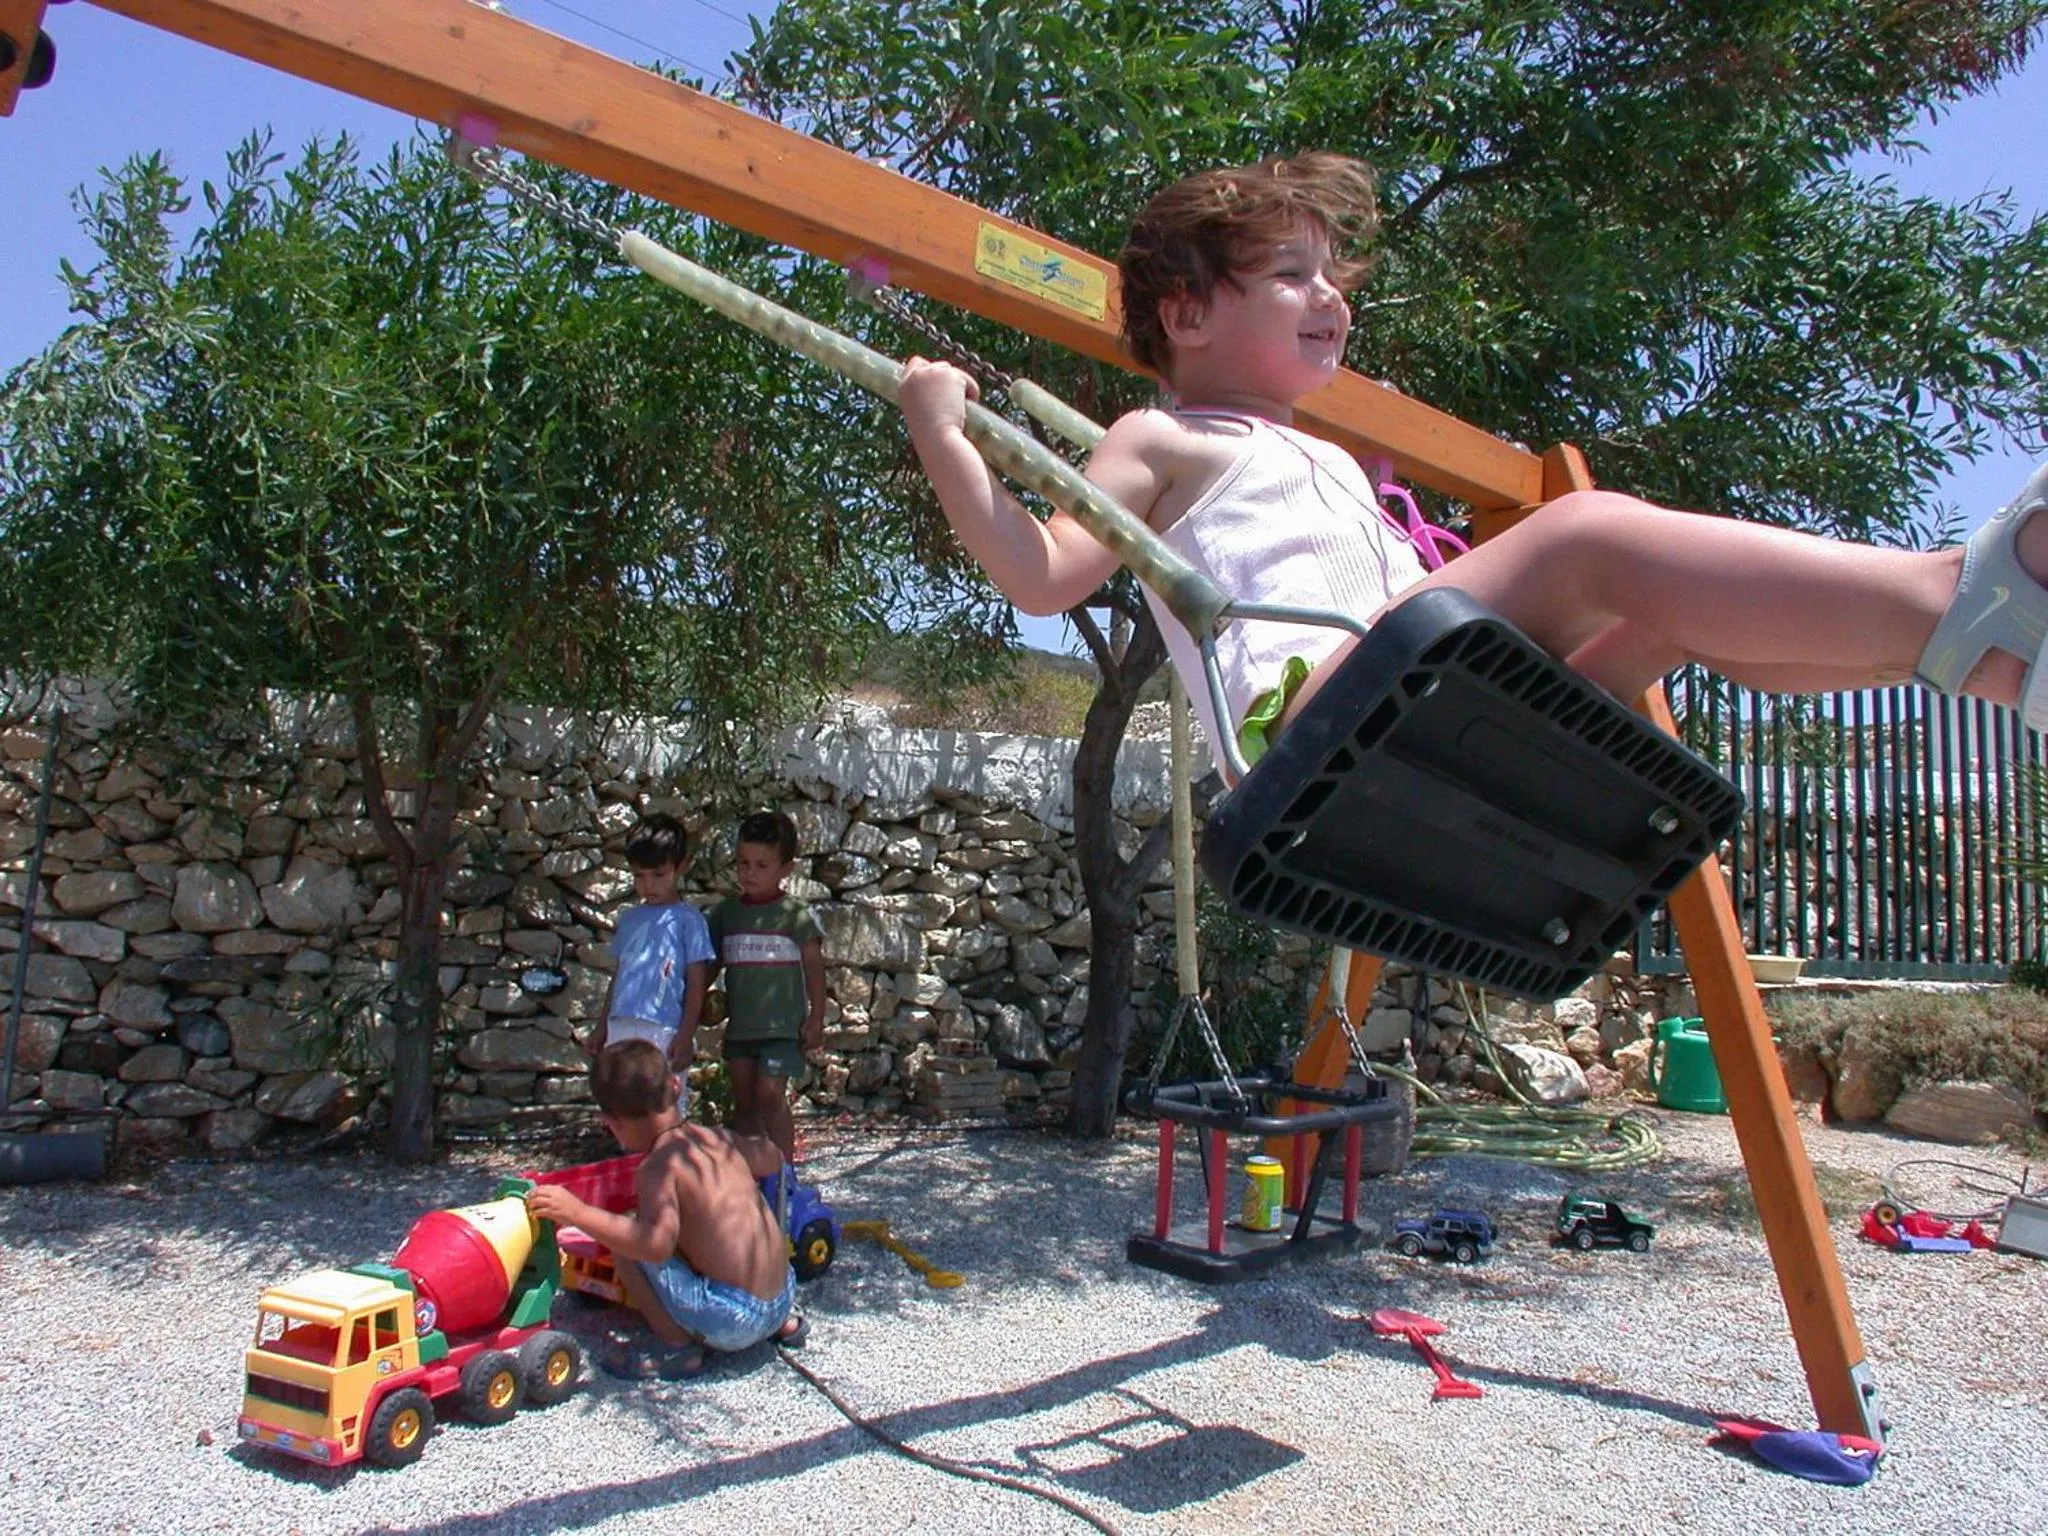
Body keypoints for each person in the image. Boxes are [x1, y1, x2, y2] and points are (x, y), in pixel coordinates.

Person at [896, 151, 2048, 773]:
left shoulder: (1328, 459)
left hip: (1418, 699)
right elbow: (1042, 577)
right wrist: (944, 433)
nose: (1330, 297)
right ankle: (1958, 593)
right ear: (1187, 316)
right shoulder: (1161, 439)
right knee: (1589, 537)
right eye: (1292, 274)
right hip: (1321, 729)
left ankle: (1983, 661)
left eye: (1333, 275)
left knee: (1663, 621)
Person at [526, 1040, 807, 1380]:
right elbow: (772, 1157)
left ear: (612, 1123)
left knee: (627, 1242)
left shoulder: (658, 1166)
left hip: (733, 1321)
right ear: (675, 1086)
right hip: (783, 1298)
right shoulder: (715, 1138)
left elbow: (654, 1245)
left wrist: (577, 1213)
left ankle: (676, 1348)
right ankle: (785, 1326)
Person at [708, 809, 827, 1168]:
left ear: (785, 869)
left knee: (769, 1094)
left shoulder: (795, 915)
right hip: (742, 1028)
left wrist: (817, 1016)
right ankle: (748, 1172)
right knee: (744, 1100)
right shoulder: (726, 914)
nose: (750, 873)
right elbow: (711, 964)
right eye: (744, 864)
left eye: (762, 865)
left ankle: (784, 1175)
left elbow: (814, 967)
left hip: (782, 1029)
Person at [584, 814, 715, 1086]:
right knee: (623, 1100)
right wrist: (602, 1026)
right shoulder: (630, 919)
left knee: (663, 1101)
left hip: (663, 1028)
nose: (649, 884)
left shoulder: (689, 921)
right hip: (621, 1025)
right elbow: (621, 975)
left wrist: (686, 1034)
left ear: (680, 868)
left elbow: (696, 984)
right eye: (639, 876)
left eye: (659, 874)